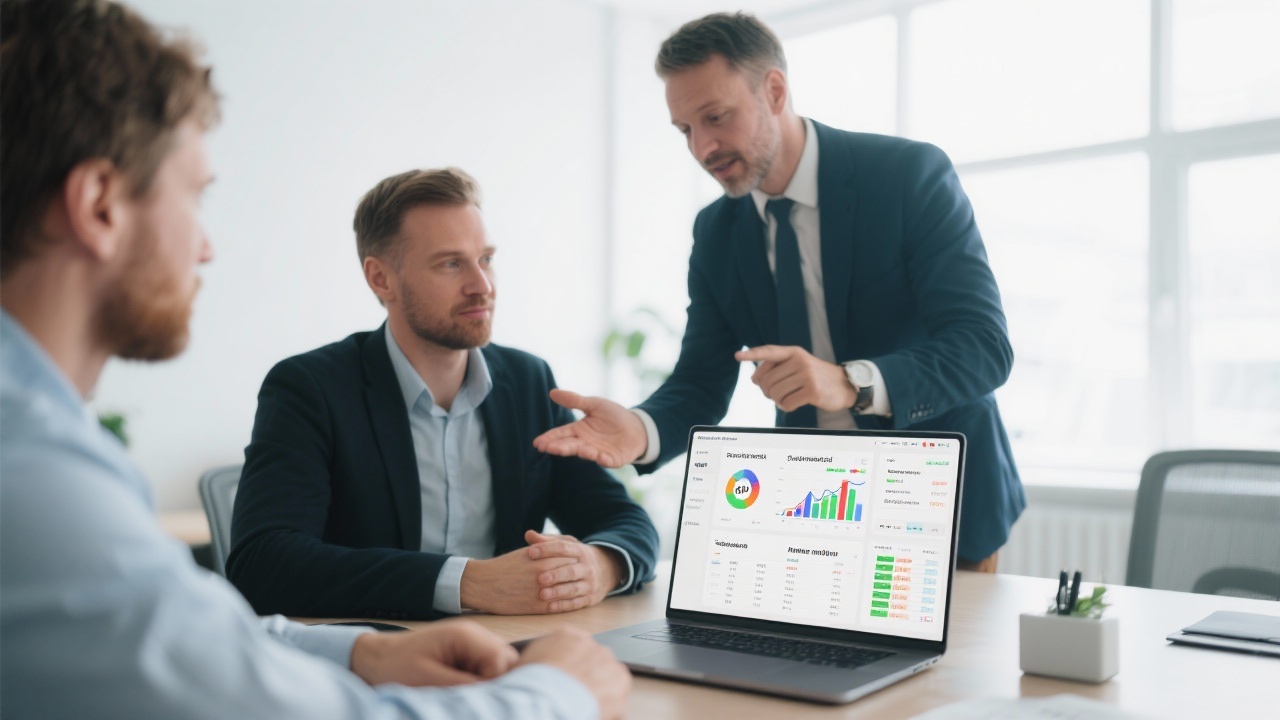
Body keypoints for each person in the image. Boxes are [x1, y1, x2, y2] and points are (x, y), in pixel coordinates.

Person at [0, 1, 628, 718]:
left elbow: (203, 637)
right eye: (195, 196)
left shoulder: (42, 439)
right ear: (101, 205)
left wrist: (365, 651)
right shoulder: (35, 474)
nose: (206, 246)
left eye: (484, 260)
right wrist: (558, 692)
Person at [535, 12, 1025, 570]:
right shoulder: (716, 232)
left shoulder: (906, 175)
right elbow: (700, 382)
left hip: (937, 500)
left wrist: (850, 383)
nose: (703, 147)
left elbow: (983, 345)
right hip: (814, 506)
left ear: (773, 90)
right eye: (685, 130)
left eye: (715, 117)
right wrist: (641, 431)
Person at [227, 167, 658, 620]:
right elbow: (264, 563)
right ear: (381, 279)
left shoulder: (528, 382)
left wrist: (601, 566)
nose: (483, 285)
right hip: (374, 659)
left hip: (502, 649)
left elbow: (626, 522)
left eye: (486, 259)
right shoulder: (310, 389)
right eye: (451, 264)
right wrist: (468, 582)